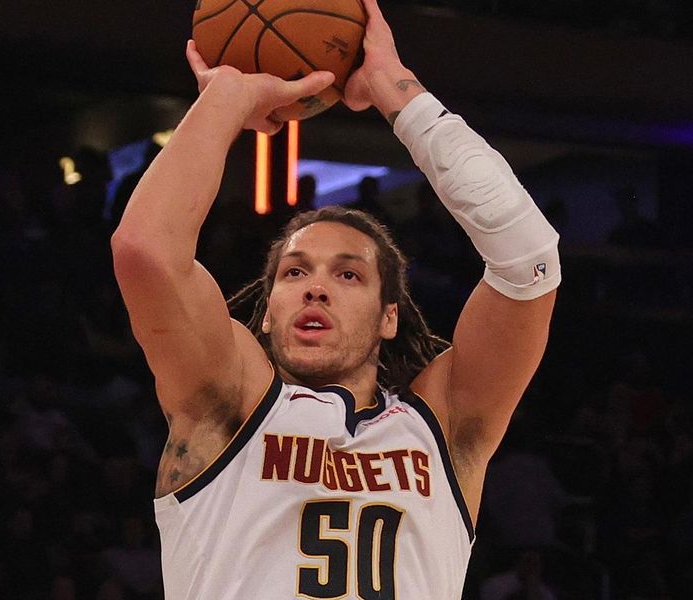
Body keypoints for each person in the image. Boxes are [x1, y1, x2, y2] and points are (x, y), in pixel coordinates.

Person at [111, 0, 560, 597]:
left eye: (349, 276)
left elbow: (529, 261)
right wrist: (227, 97)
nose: (316, 285)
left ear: (389, 317)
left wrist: (396, 91)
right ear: (266, 312)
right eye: (294, 273)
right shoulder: (226, 402)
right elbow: (146, 251)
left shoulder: (445, 426)